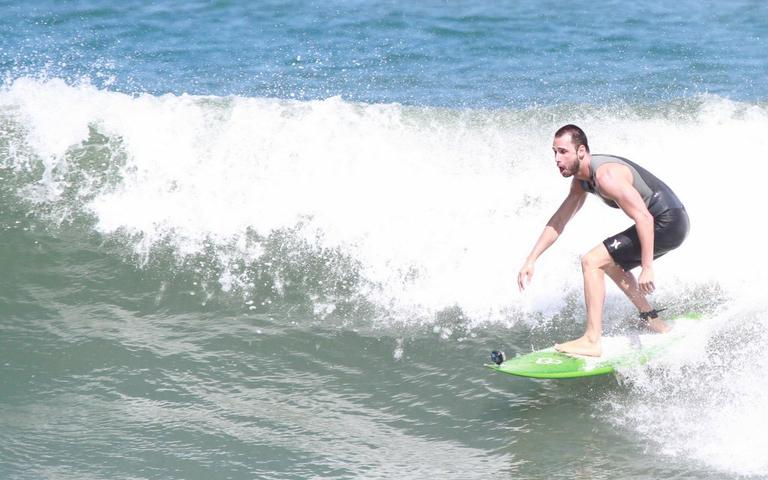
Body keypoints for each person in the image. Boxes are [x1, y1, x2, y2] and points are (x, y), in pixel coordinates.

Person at [517, 124, 689, 357]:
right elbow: (559, 220)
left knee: (592, 260)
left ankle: (591, 340)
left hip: (668, 222)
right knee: (609, 261)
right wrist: (531, 259)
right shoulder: (581, 181)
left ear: (581, 151)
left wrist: (648, 267)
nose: (557, 159)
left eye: (563, 152)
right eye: (554, 152)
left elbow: (644, 218)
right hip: (666, 221)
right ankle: (653, 321)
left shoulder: (605, 176)